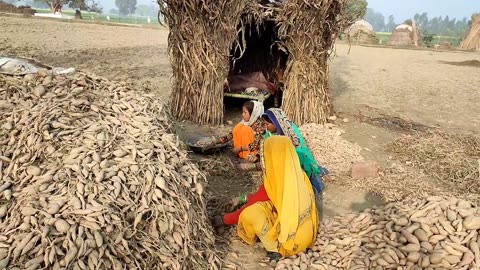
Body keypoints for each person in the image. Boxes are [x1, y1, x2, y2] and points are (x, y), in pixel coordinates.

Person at [213, 136, 318, 260]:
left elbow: (253, 203)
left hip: (291, 242)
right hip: (306, 234)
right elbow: (265, 197)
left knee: (251, 214)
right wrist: (243, 198)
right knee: (264, 206)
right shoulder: (299, 175)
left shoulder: (277, 180)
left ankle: (275, 250)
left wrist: (224, 219)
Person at [261, 108, 328, 196]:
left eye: (267, 124)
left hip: (297, 163)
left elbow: (300, 152)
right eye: (264, 124)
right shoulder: (269, 134)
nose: (265, 127)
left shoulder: (290, 133)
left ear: (276, 122)